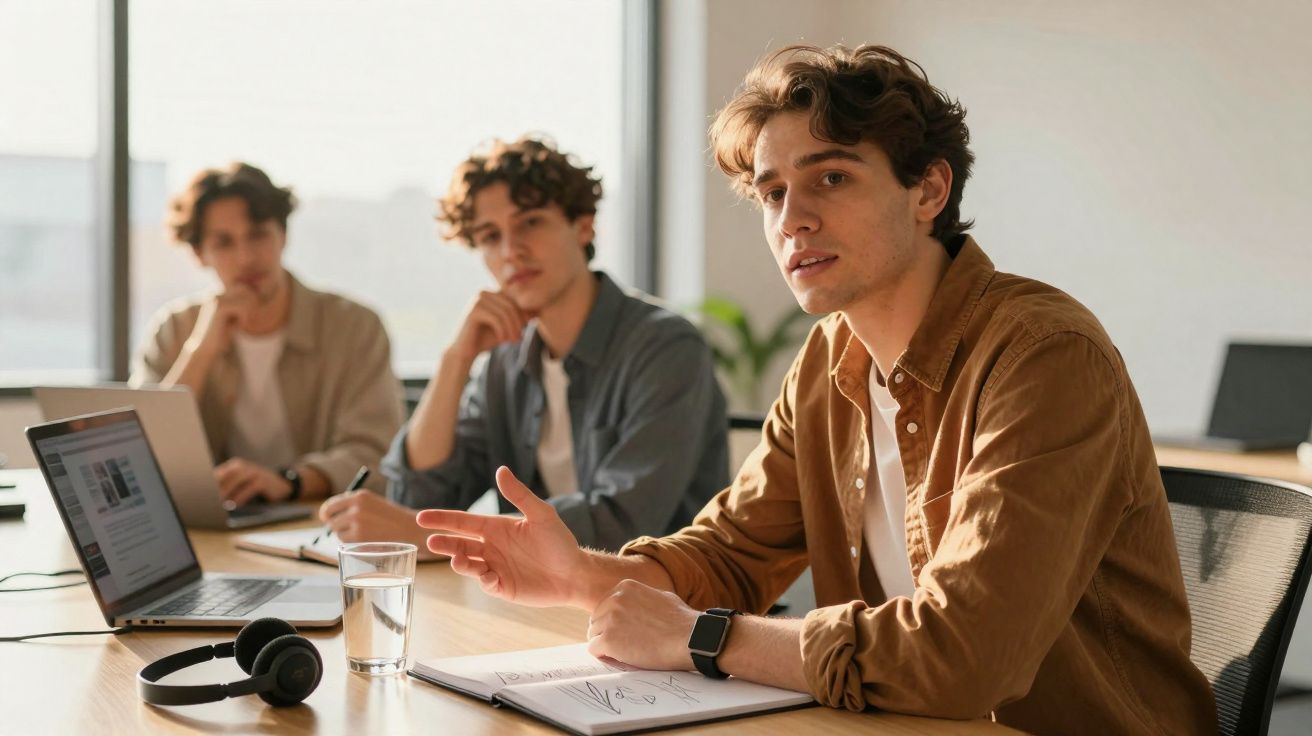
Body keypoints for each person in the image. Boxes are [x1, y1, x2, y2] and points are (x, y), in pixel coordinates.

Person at [415, 46, 1217, 734]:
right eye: (771, 193)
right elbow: (734, 553)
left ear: (928, 191)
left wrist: (704, 639)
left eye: (829, 177)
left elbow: (966, 655)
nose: (791, 219)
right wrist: (580, 576)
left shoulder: (1044, 355)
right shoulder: (830, 359)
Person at [318, 137, 729, 553]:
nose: (511, 251)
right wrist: (455, 360)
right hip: (546, 604)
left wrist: (421, 533)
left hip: (668, 605)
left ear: (582, 225)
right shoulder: (505, 361)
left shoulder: (666, 348)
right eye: (490, 236)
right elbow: (418, 500)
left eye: (530, 222)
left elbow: (623, 524)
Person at [131, 162, 404, 504]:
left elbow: (377, 451)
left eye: (258, 234)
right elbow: (137, 457)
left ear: (283, 235)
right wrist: (200, 352)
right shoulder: (173, 329)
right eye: (224, 242)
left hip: (320, 524)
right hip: (210, 527)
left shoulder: (354, 327)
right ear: (200, 254)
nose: (246, 257)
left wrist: (289, 482)